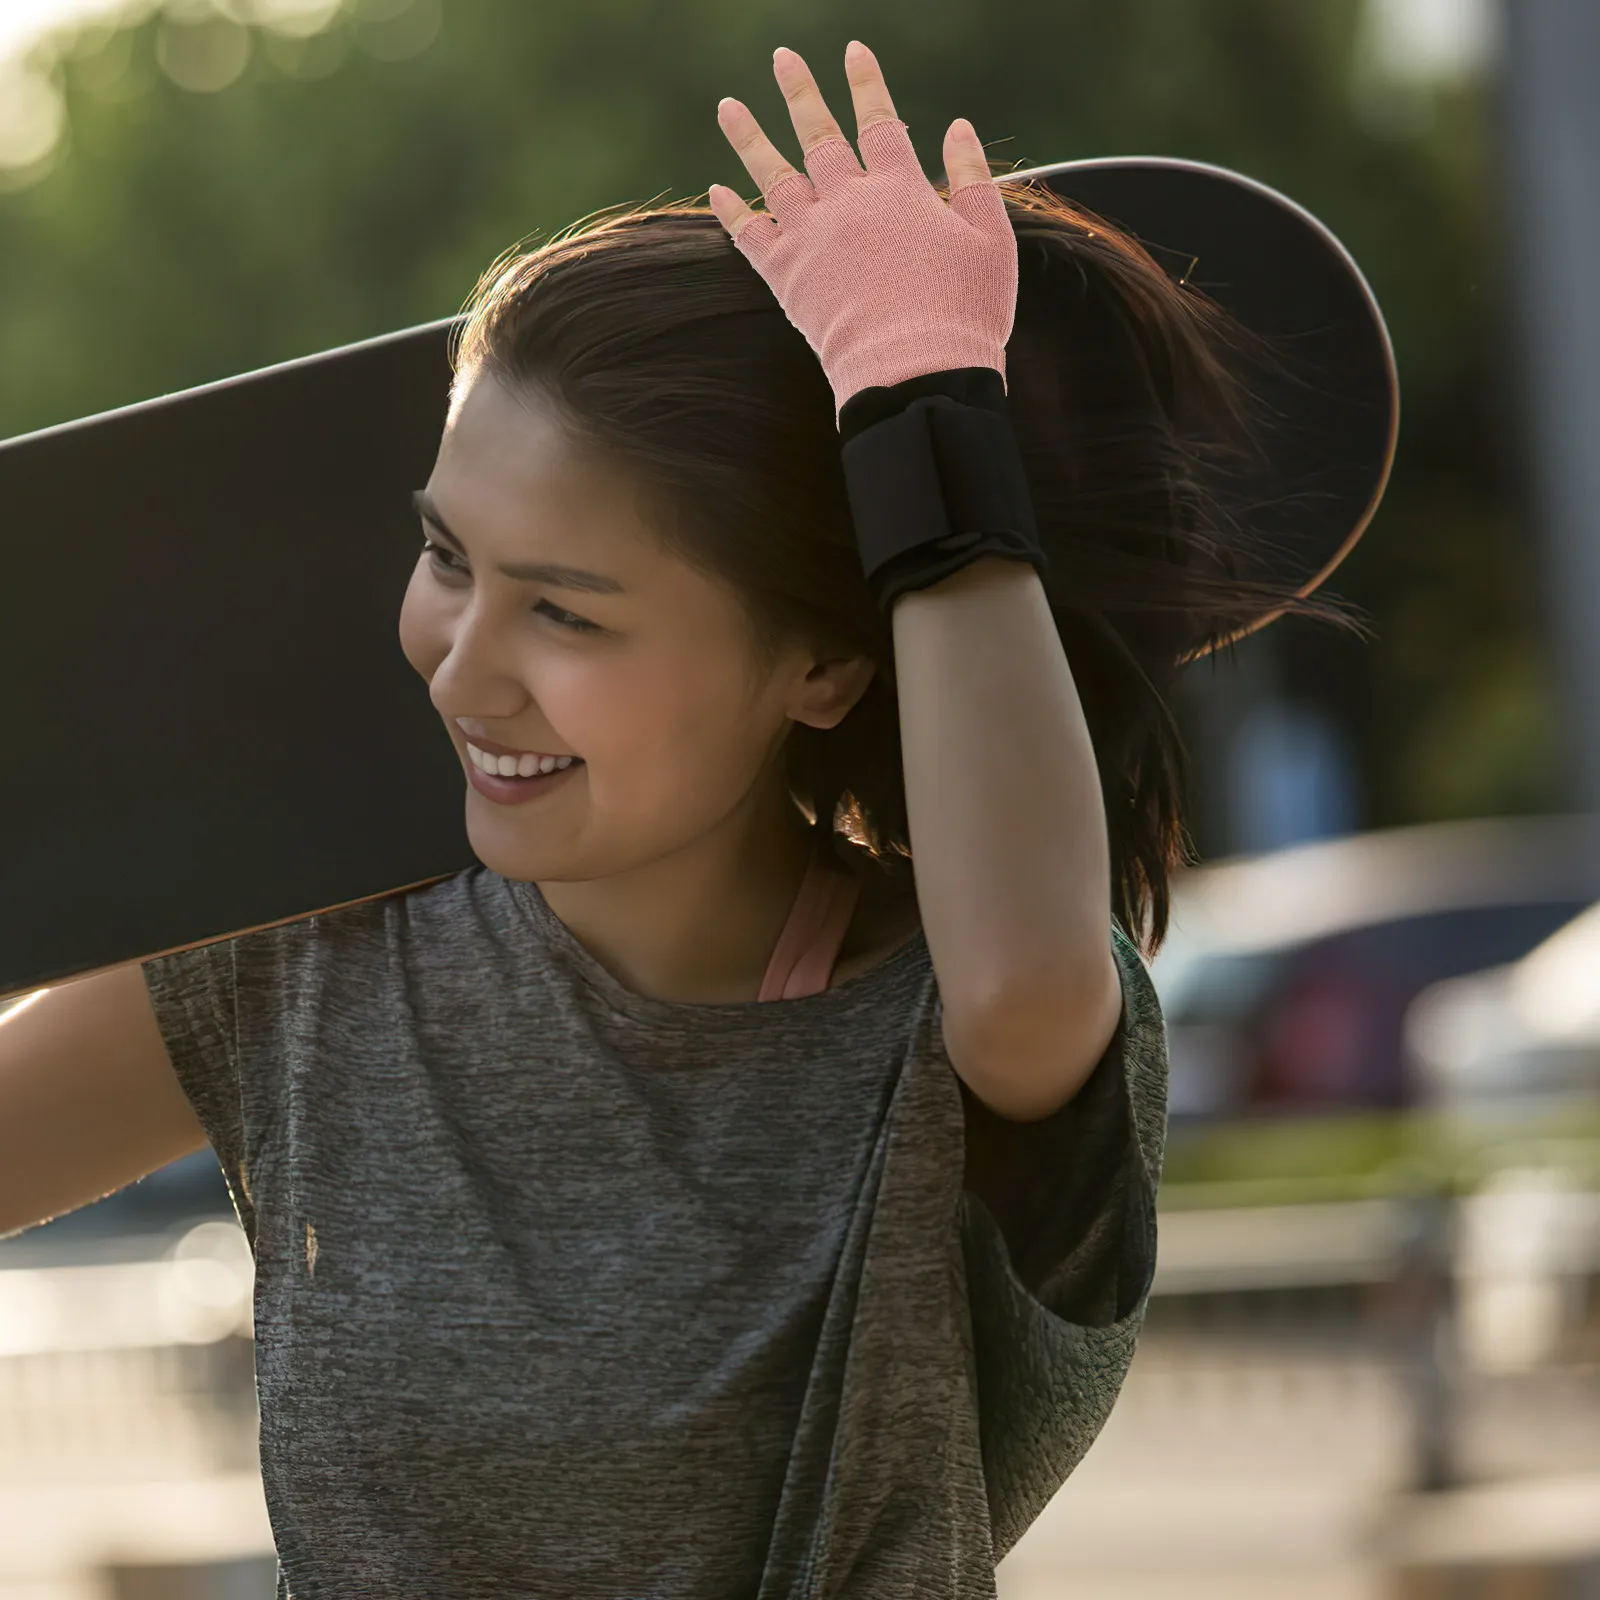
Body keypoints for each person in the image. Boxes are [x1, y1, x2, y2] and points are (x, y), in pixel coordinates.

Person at [126, 39, 1350, 1600]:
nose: (460, 668)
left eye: (566, 615)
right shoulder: (309, 967)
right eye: (447, 559)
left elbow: (1032, 983)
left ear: (827, 660)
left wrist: (917, 397)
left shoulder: (934, 1034)